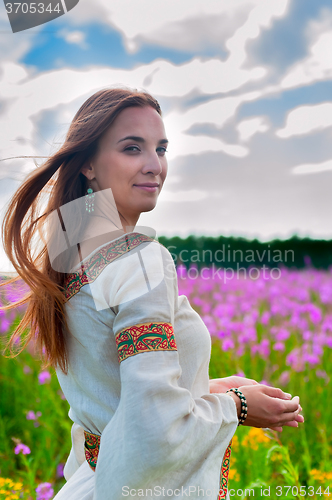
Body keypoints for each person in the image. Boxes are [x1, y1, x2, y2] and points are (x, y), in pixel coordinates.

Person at [1, 87, 304, 500]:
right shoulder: (140, 261)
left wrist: (208, 388)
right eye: (132, 148)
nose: (153, 165)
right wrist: (238, 406)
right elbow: (153, 429)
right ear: (88, 164)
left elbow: (116, 394)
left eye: (161, 149)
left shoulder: (69, 248)